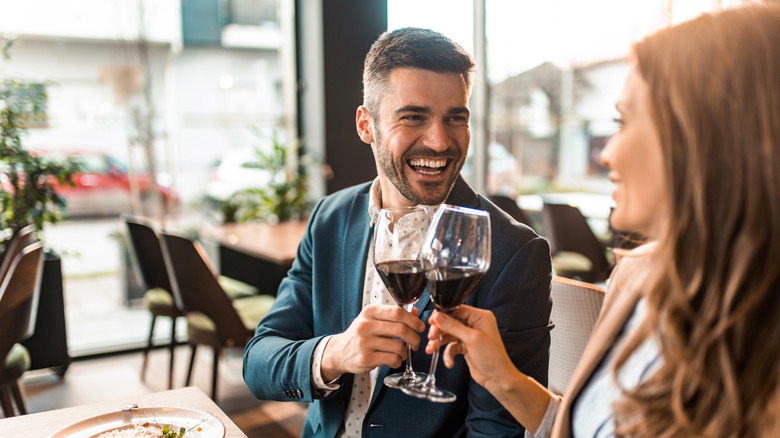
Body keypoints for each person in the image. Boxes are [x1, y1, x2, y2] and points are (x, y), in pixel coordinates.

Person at [425, 4, 780, 437]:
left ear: (708, 138)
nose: (607, 153)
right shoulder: (637, 278)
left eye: (624, 122)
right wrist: (502, 378)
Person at [243, 27, 553, 437]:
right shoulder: (330, 217)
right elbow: (260, 362)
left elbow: (497, 430)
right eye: (413, 117)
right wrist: (335, 352)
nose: (440, 141)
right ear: (366, 125)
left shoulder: (515, 252)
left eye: (455, 118)